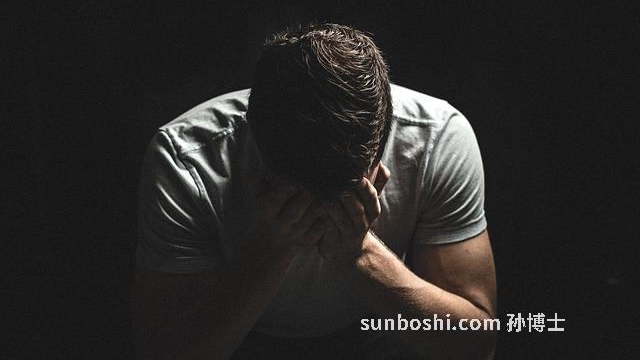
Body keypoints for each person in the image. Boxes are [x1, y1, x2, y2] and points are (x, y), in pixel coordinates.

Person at [131, 23, 497, 359]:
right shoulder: (186, 160)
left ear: (384, 139)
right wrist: (269, 253)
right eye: (299, 192)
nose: (319, 213)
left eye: (344, 190)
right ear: (253, 135)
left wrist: (361, 254)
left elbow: (476, 347)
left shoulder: (437, 139)